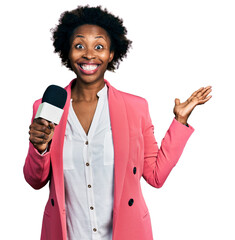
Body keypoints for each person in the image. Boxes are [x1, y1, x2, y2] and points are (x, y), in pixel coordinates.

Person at [23, 5, 212, 240]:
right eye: (79, 45)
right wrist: (40, 149)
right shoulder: (47, 107)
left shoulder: (135, 108)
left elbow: (155, 176)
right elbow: (35, 180)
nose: (89, 54)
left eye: (99, 46)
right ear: (67, 52)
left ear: (111, 54)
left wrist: (180, 121)